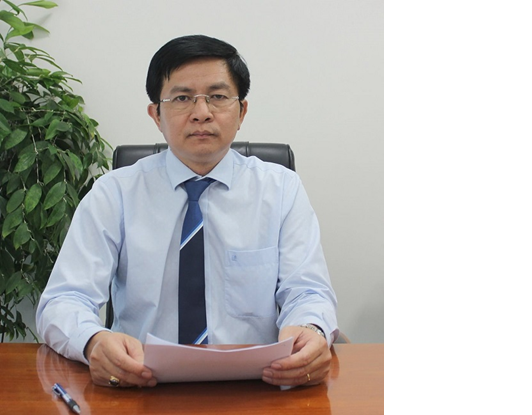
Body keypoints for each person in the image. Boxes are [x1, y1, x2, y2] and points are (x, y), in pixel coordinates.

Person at [36, 34, 338, 388]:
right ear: (156, 115)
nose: (201, 113)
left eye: (218, 97)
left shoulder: (281, 189)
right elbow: (64, 300)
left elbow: (307, 292)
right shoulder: (114, 193)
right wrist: (92, 342)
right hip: (140, 384)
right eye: (182, 98)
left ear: (241, 111)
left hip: (257, 385)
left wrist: (311, 329)